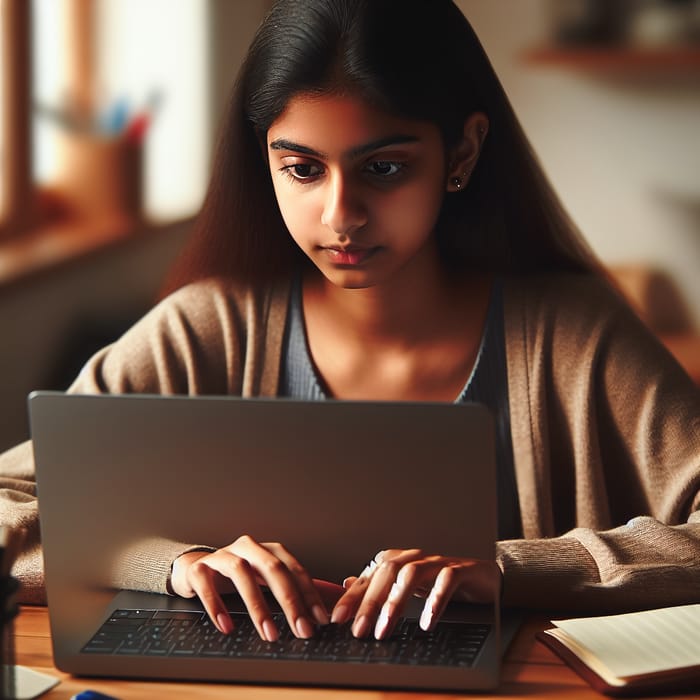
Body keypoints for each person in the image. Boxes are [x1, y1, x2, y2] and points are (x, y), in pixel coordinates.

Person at [1, 0, 699, 645]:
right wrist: (173, 564)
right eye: (303, 169)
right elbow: (10, 502)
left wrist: (511, 568)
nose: (341, 216)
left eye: (384, 167)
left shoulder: (574, 337)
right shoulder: (205, 328)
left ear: (462, 153)